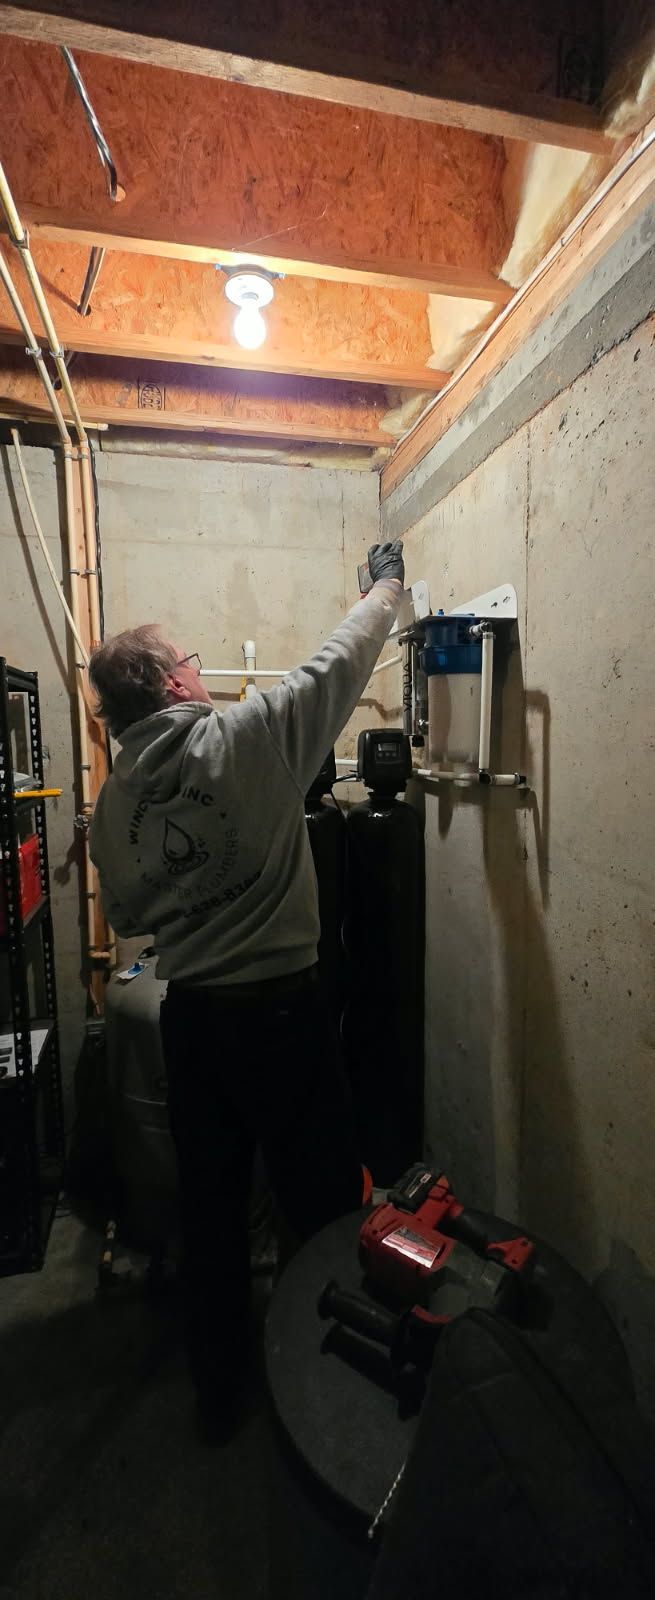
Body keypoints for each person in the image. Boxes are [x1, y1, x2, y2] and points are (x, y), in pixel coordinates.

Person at [89, 540, 404, 1430]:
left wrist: (194, 896)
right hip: (283, 1018)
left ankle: (218, 1393)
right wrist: (386, 584)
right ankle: (332, 1384)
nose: (198, 668)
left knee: (213, 1209)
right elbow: (341, 657)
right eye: (189, 658)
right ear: (172, 682)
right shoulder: (250, 736)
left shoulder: (113, 805)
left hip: (194, 1024)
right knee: (323, 1201)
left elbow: (126, 915)